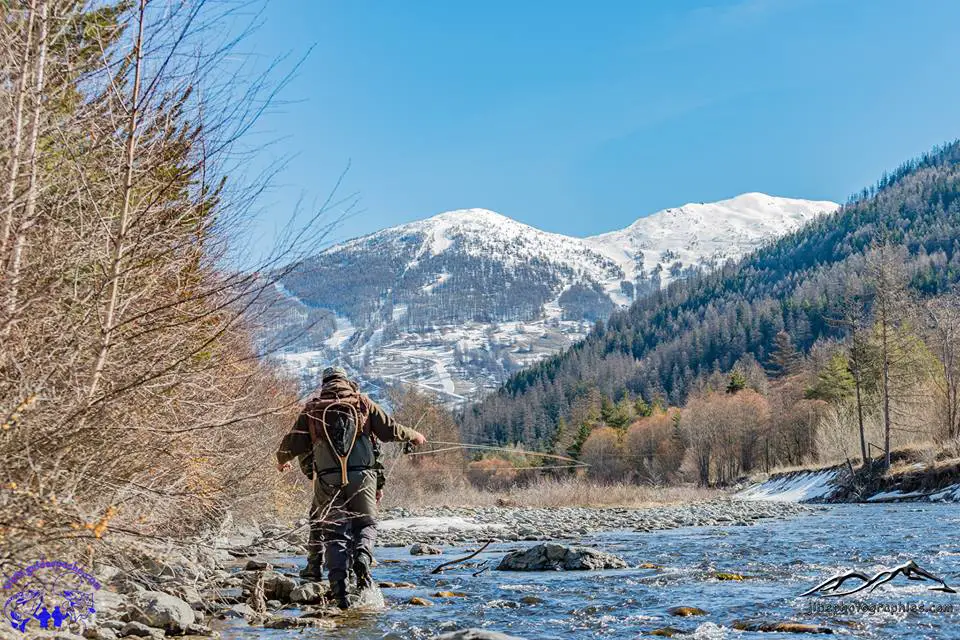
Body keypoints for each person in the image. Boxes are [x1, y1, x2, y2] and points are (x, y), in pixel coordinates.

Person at [276, 367, 426, 609]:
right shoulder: (363, 403)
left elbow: (291, 444)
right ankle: (362, 558)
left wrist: (281, 461)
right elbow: (391, 431)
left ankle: (340, 597)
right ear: (347, 382)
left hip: (327, 480)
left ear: (324, 384)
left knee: (335, 533)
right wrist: (414, 435)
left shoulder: (312, 409)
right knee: (366, 524)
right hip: (363, 478)